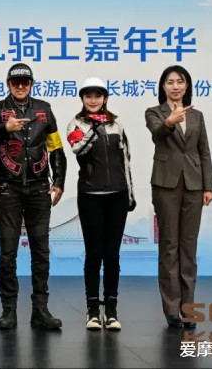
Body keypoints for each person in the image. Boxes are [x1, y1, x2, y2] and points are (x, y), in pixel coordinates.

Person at [0, 63, 66, 330]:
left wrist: (59, 181)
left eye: (25, 82)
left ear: (32, 84)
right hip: (7, 188)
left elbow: (55, 147)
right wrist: (6, 127)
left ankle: (40, 309)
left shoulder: (44, 109)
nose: (20, 86)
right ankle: (8, 310)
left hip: (39, 188)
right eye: (15, 82)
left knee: (41, 251)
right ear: (8, 84)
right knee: (8, 253)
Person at [145, 65, 212, 329]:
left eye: (180, 81)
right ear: (163, 86)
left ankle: (188, 307)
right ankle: (172, 308)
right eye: (170, 82)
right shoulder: (154, 112)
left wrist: (209, 186)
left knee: (189, 246)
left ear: (187, 86)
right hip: (166, 184)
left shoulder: (197, 115)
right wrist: (170, 121)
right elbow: (157, 134)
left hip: (194, 185)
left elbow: (204, 151)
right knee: (169, 245)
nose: (175, 86)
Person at [65, 77, 136, 331]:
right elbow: (78, 149)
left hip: (117, 195)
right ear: (82, 99)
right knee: (94, 253)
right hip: (90, 195)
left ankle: (112, 311)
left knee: (112, 255)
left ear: (105, 98)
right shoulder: (76, 124)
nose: (93, 100)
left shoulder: (117, 124)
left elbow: (126, 160)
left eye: (98, 96)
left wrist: (130, 193)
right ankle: (93, 310)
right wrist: (94, 129)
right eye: (88, 96)